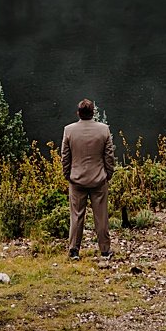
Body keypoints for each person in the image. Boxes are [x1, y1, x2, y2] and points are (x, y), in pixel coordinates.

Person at [61, 98, 115, 259]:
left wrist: (68, 175)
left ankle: (74, 250)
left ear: (78, 113)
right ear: (93, 113)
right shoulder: (104, 130)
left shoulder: (69, 130)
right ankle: (105, 250)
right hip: (99, 180)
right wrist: (108, 174)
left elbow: (65, 157)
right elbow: (109, 156)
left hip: (77, 180)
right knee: (101, 216)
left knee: (76, 215)